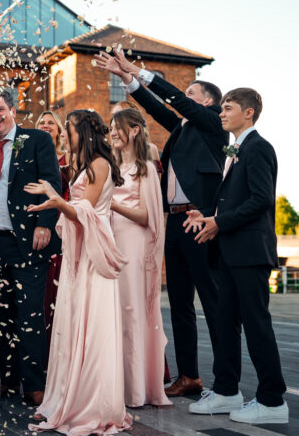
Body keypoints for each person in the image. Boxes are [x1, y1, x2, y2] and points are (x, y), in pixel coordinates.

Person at [95, 49, 226, 397]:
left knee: (212, 302)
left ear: (208, 101)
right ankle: (189, 376)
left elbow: (175, 100)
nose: (185, 99)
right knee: (180, 302)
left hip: (201, 220)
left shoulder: (213, 125)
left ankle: (226, 381)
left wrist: (135, 69)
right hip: (175, 223)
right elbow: (156, 108)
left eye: (193, 94)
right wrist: (127, 80)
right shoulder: (183, 129)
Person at [25, 109, 131, 435]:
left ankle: (91, 404)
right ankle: (64, 398)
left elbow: (86, 210)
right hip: (80, 252)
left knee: (93, 325)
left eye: (69, 129)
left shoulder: (100, 164)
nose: (66, 135)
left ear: (80, 131)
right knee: (73, 324)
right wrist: (55, 201)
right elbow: (77, 211)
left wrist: (55, 200)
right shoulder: (84, 166)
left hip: (93, 256)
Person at [186, 88, 288, 424]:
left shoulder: (259, 148)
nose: (221, 113)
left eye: (227, 108)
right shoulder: (233, 151)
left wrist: (219, 222)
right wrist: (205, 215)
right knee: (225, 322)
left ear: (248, 113)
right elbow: (230, 201)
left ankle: (272, 402)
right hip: (228, 253)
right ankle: (227, 391)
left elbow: (260, 200)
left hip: (249, 252)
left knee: (257, 325)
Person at [0, 87, 62, 405]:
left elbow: (52, 181)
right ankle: (4, 380)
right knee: (1, 315)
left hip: (27, 239)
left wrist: (45, 223)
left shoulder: (35, 140)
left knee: (29, 314)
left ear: (12, 109)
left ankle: (34, 385)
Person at [109, 109, 171, 407]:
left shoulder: (145, 167)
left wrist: (112, 205)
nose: (112, 133)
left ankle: (136, 388)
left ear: (133, 130)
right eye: (109, 128)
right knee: (115, 313)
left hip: (133, 244)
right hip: (111, 244)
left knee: (132, 309)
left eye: (117, 127)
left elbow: (148, 216)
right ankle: (116, 383)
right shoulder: (112, 167)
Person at [34, 111, 69, 349]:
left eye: (50, 123)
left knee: (57, 287)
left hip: (61, 224)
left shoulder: (68, 159)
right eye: (41, 122)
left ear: (59, 130)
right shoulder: (31, 156)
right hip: (34, 222)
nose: (46, 126)